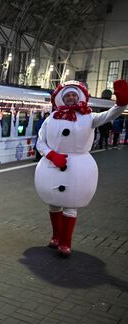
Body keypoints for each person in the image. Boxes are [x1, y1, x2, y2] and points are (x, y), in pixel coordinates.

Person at [35, 80, 128, 257]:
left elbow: (110, 115)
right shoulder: (51, 118)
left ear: (79, 98)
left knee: (71, 205)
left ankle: (65, 242)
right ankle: (55, 236)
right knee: (53, 204)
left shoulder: (89, 117)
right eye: (68, 95)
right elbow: (41, 141)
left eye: (74, 95)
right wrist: (51, 155)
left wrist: (121, 104)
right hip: (52, 165)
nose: (71, 98)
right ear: (62, 98)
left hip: (78, 168)